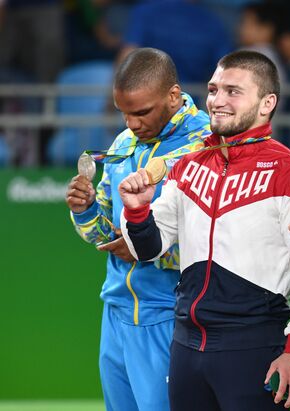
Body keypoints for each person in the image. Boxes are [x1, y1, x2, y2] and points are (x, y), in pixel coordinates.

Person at [117, 50, 290, 410]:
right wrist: (137, 212)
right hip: (185, 344)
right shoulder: (188, 164)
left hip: (253, 348)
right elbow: (148, 249)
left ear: (267, 103)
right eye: (214, 90)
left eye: (233, 91)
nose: (217, 101)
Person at [65, 47, 211, 411]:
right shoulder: (124, 144)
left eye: (141, 112)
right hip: (115, 311)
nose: (131, 123)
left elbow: (217, 240)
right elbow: (101, 234)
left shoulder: (208, 144)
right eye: (124, 113)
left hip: (170, 315)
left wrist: (147, 247)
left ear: (173, 96)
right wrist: (85, 211)